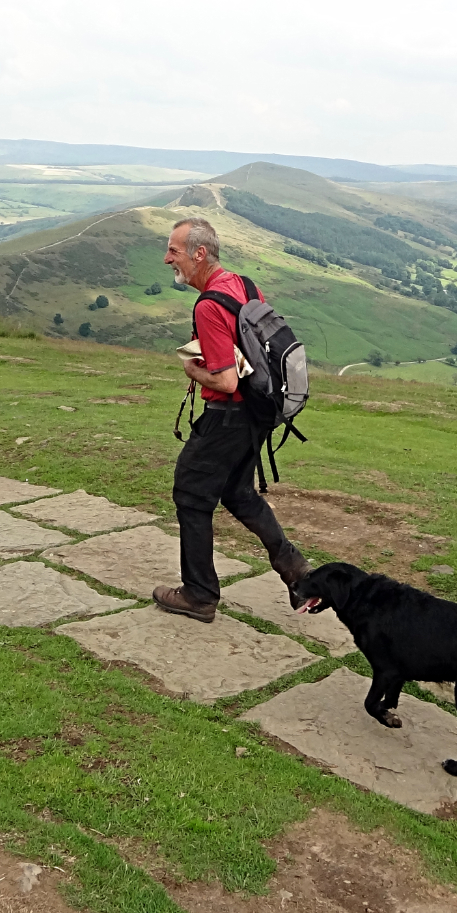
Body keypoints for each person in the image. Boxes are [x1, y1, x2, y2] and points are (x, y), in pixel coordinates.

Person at [153, 218, 309, 623]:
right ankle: (295, 570)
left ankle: (199, 594)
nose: (168, 258)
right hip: (258, 412)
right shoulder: (244, 284)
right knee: (239, 494)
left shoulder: (208, 305)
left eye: (174, 250)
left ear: (199, 254)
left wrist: (194, 371)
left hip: (228, 416)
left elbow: (223, 380)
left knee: (191, 492)